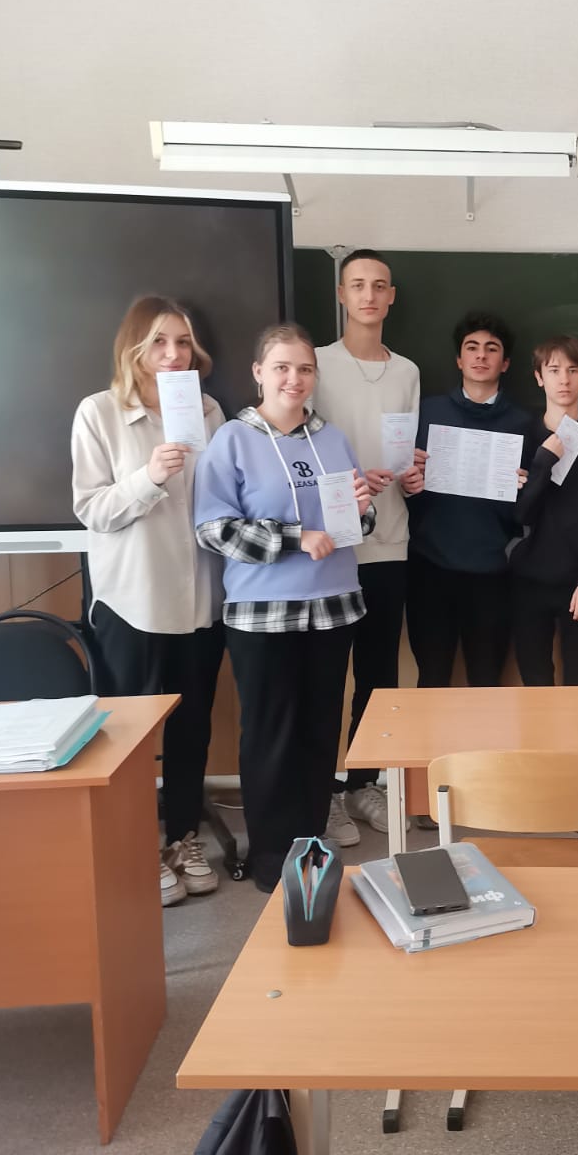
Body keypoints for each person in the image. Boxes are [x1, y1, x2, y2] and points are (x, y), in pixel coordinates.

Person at [193, 323, 374, 893]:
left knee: (320, 733)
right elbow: (214, 529)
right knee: (271, 734)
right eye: (282, 367)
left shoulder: (332, 438)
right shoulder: (232, 439)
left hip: (333, 608)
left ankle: (311, 844)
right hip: (264, 615)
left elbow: (356, 523)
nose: (294, 379)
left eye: (304, 369)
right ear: (259, 373)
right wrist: (296, 538)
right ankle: (273, 857)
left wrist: (361, 508)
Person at [72, 296, 226, 907]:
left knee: (193, 727)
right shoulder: (100, 412)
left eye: (183, 342)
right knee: (131, 735)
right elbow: (91, 509)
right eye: (160, 341)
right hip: (132, 601)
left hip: (201, 599)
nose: (173, 354)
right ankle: (136, 843)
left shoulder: (207, 410)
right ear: (134, 347)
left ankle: (183, 838)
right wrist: (149, 477)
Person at [313, 248, 420, 842]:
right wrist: (352, 483)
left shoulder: (407, 371)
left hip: (391, 537)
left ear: (392, 296)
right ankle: (324, 791)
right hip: (333, 542)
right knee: (329, 674)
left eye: (379, 285)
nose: (369, 295)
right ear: (341, 294)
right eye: (358, 285)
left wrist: (412, 474)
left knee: (379, 673)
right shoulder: (317, 364)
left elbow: (403, 454)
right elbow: (304, 446)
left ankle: (363, 784)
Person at [403, 310, 533, 687]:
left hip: (492, 572)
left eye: (491, 349)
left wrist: (525, 488)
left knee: (486, 681)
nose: (481, 355)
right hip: (430, 568)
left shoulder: (524, 425)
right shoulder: (426, 413)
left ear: (505, 363)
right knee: (432, 678)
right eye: (471, 347)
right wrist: (407, 481)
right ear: (459, 360)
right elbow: (402, 489)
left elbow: (531, 510)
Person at [510, 334, 578, 685]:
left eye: (573, 370)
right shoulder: (522, 436)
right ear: (539, 377)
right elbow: (520, 514)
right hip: (528, 581)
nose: (564, 380)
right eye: (553, 370)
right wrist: (543, 462)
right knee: (535, 683)